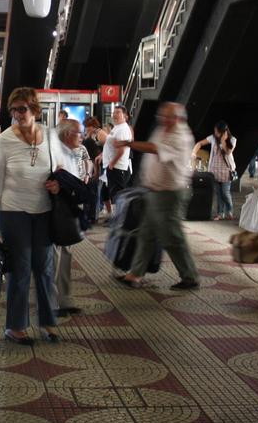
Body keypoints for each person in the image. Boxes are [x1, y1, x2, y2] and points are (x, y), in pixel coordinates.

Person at [0, 87, 61, 345]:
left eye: (22, 109)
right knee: (21, 268)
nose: (17, 115)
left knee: (45, 268)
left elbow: (59, 169)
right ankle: (15, 327)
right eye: (13, 110)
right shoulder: (4, 140)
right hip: (13, 212)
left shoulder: (49, 135)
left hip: (44, 212)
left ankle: (48, 323)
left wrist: (57, 185)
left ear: (35, 110)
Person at [116, 102, 200, 290]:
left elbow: (154, 149)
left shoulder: (181, 136)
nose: (161, 119)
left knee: (172, 237)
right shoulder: (163, 130)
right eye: (160, 115)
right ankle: (134, 274)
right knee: (146, 234)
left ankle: (190, 276)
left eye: (166, 116)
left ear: (177, 118)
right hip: (155, 192)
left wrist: (129, 143)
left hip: (170, 194)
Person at [52, 118, 92, 317]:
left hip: (66, 211)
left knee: (65, 255)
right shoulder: (54, 152)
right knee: (54, 257)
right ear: (67, 134)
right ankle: (53, 303)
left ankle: (64, 300)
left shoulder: (71, 152)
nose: (82, 136)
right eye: (79, 133)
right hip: (54, 213)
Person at [194, 121, 237, 219]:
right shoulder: (213, 138)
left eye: (217, 131)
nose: (215, 133)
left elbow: (228, 152)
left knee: (225, 193)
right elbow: (200, 143)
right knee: (218, 194)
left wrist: (223, 140)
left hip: (226, 171)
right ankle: (219, 213)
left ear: (223, 132)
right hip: (214, 170)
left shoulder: (232, 140)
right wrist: (194, 152)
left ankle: (229, 211)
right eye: (215, 131)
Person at [101, 106, 134, 217]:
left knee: (118, 195)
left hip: (118, 167)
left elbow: (122, 149)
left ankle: (121, 219)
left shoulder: (123, 129)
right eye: (114, 112)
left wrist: (112, 163)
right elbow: (110, 146)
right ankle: (115, 217)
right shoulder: (117, 127)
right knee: (110, 194)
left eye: (118, 112)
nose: (115, 114)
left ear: (125, 115)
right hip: (112, 166)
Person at [82, 116, 105, 223]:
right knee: (90, 189)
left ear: (93, 126)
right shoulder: (90, 135)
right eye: (86, 126)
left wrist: (102, 156)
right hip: (91, 163)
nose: (86, 128)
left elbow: (109, 147)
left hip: (98, 163)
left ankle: (93, 216)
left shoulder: (100, 133)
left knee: (96, 190)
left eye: (88, 126)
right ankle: (88, 214)